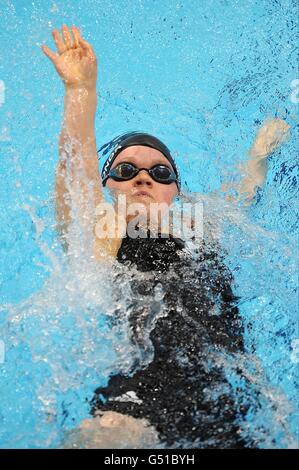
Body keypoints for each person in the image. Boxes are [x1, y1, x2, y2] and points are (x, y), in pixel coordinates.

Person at [42, 25, 290, 448]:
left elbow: (245, 190)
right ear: (108, 188)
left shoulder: (202, 227)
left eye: (160, 173)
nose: (143, 178)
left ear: (176, 190)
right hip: (140, 397)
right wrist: (80, 92)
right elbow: (74, 182)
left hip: (231, 399)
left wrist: (262, 149)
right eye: (126, 170)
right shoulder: (104, 234)